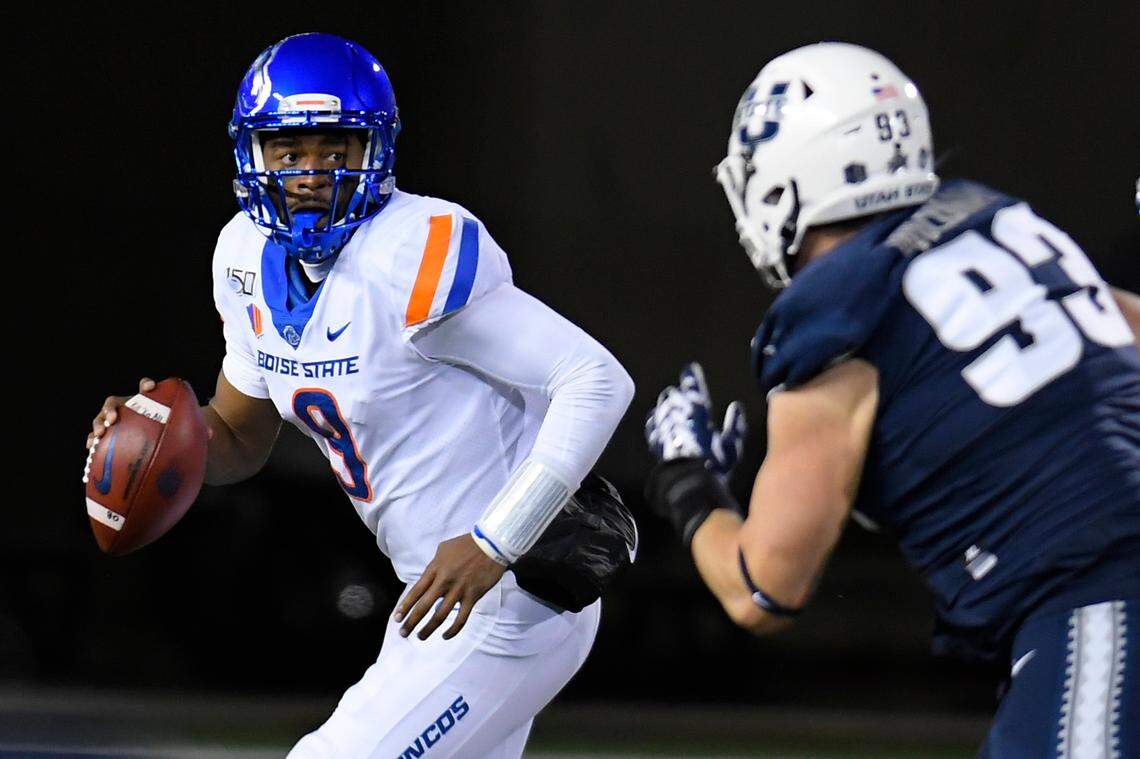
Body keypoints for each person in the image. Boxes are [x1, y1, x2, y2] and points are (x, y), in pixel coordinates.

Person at [87, 33, 635, 758]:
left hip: (515, 589)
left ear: (375, 150)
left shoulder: (415, 249)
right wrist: (159, 430)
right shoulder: (243, 257)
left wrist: (495, 539)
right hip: (435, 601)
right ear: (254, 155)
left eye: (335, 148)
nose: (312, 172)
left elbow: (596, 379)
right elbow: (241, 438)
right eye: (289, 151)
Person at [644, 42, 1139, 757]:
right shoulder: (1000, 221)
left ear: (784, 183)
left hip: (1097, 599)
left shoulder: (833, 316)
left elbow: (763, 588)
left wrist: (687, 479)